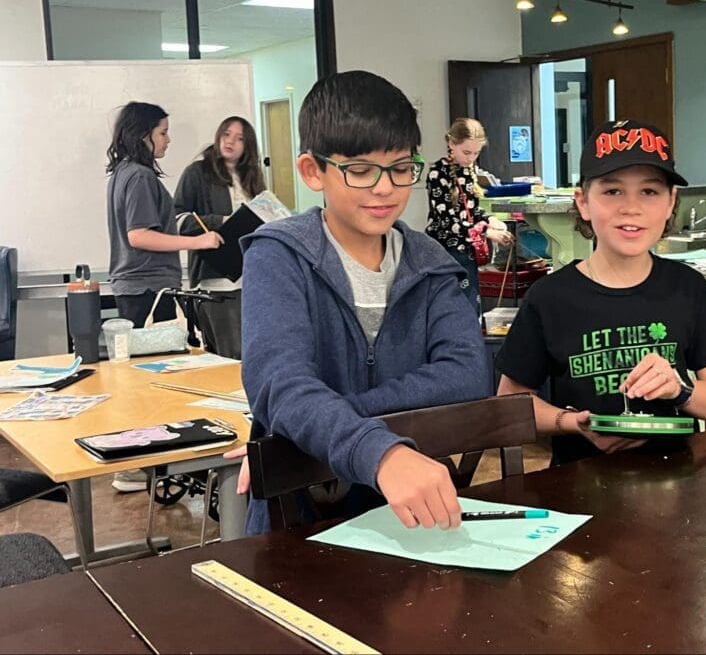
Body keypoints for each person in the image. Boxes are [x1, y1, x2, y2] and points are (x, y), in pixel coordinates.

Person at [239, 71, 491, 534]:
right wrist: (379, 450)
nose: (385, 189)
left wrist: (323, 419)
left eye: (400, 168)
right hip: (297, 528)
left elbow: (468, 374)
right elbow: (281, 384)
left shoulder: (430, 261)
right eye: (359, 170)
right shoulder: (278, 255)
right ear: (312, 171)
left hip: (412, 521)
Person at [495, 120, 706, 467]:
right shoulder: (549, 297)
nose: (631, 207)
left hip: (679, 487)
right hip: (578, 487)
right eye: (612, 191)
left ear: (671, 202)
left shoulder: (687, 288)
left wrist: (680, 389)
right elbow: (510, 406)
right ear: (583, 202)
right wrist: (571, 423)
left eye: (649, 192)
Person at [105, 101, 223, 492]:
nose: (168, 140)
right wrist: (197, 241)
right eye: (163, 133)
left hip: (139, 287)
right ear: (144, 136)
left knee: (145, 381)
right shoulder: (137, 177)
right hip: (146, 288)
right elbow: (139, 235)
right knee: (150, 383)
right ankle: (134, 467)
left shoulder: (124, 173)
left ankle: (142, 463)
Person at [174, 116, 266, 359]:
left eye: (239, 138)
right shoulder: (198, 173)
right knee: (230, 356)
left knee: (253, 353)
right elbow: (176, 220)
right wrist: (221, 221)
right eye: (226, 134)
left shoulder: (252, 178)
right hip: (215, 280)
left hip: (250, 278)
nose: (230, 142)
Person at [425, 118, 514, 312]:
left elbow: (471, 211)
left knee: (472, 304)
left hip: (468, 249)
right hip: (445, 251)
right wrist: (485, 234)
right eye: (466, 152)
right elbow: (448, 222)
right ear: (451, 143)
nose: (470, 158)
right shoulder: (437, 173)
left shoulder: (469, 170)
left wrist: (490, 220)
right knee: (452, 306)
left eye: (476, 153)